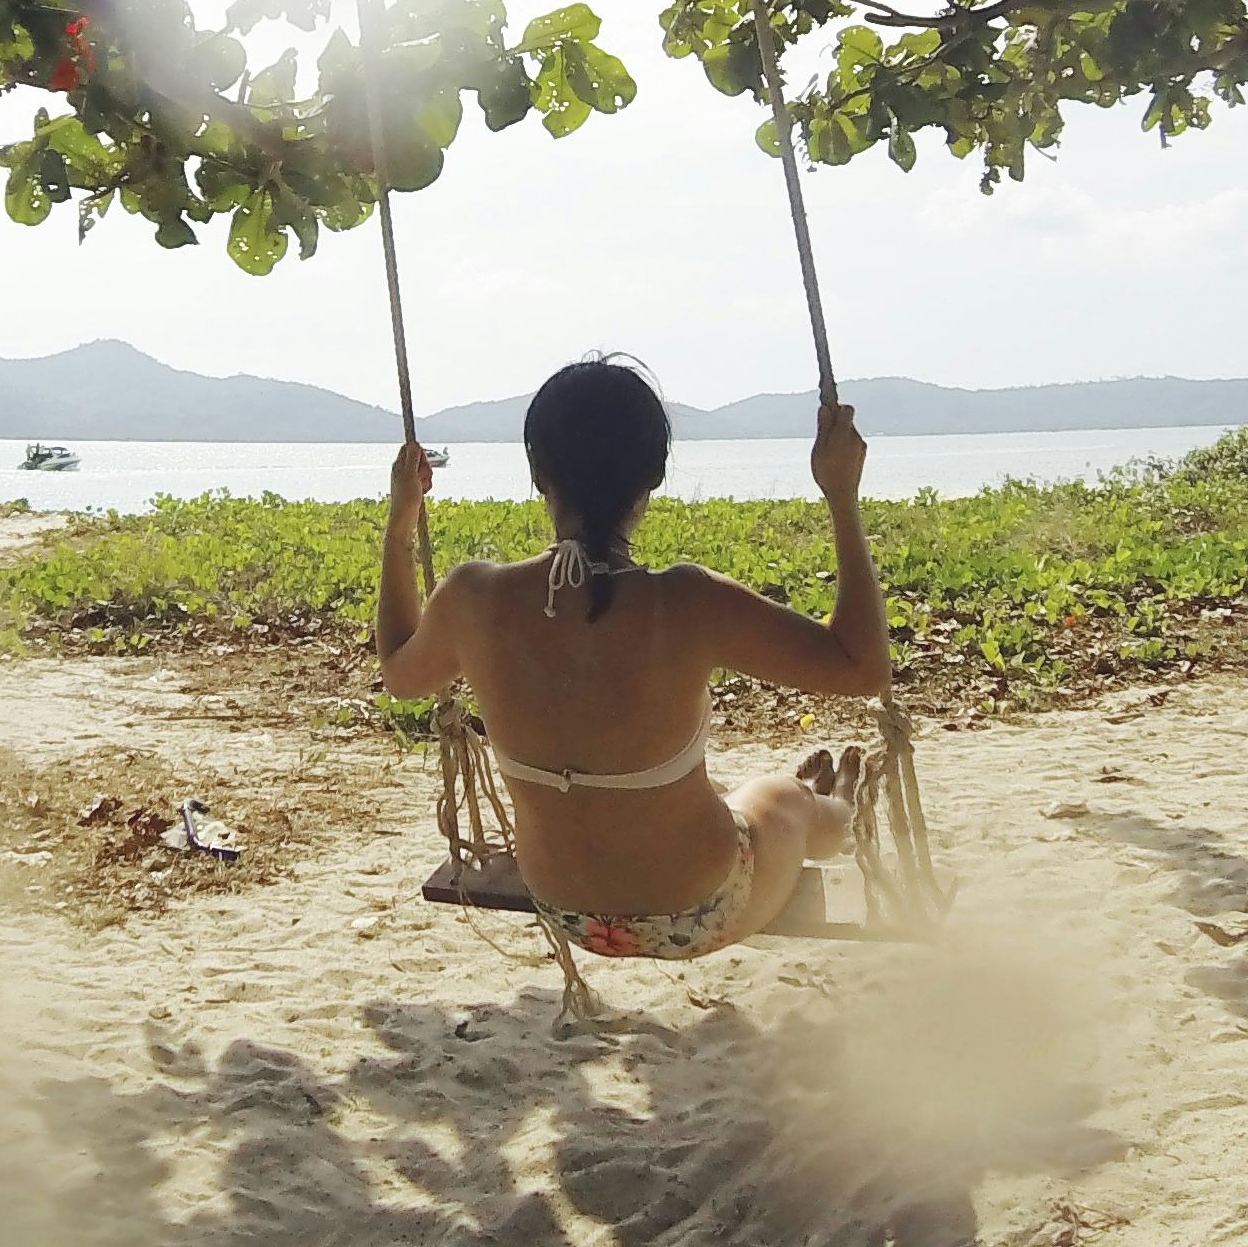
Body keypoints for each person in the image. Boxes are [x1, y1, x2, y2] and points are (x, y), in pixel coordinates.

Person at [375, 355, 889, 960]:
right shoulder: (689, 603)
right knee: (779, 799)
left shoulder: (473, 597)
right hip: (701, 909)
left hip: (566, 910)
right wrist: (841, 497)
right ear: (656, 472)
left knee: (708, 793)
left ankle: (809, 801)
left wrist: (400, 523)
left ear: (538, 472)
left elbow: (400, 676)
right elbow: (862, 668)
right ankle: (837, 813)